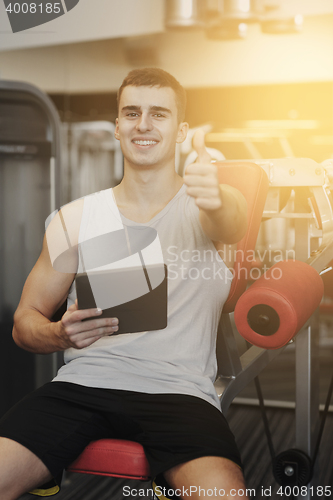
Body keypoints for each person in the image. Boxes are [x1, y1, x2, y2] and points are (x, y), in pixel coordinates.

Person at [0, 68, 248, 500]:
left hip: (178, 393)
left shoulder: (209, 207)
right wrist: (57, 333)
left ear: (181, 129)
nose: (143, 124)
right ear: (117, 127)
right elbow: (25, 322)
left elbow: (231, 220)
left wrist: (217, 196)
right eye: (131, 113)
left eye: (159, 114)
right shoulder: (73, 219)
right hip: (83, 386)